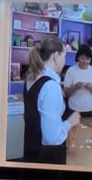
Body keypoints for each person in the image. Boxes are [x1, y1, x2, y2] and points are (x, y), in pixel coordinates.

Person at [23, 36, 80, 164]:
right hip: (47, 158)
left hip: (31, 151)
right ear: (56, 56)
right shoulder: (51, 86)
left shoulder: (31, 78)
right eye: (64, 56)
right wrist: (70, 122)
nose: (64, 61)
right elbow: (52, 138)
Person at [62, 44, 92, 117]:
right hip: (74, 109)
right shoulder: (71, 71)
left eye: (87, 59)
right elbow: (65, 93)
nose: (85, 61)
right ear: (78, 57)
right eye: (82, 58)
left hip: (90, 110)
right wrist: (75, 87)